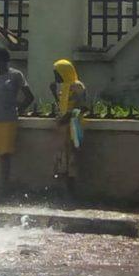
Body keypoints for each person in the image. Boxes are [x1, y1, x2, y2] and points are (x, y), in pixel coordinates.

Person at [0, 48, 34, 192]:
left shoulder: (16, 75)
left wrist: (19, 109)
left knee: (5, 155)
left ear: (2, 60)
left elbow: (29, 97)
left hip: (8, 121)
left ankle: (4, 188)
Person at [50, 59, 87, 197]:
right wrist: (54, 93)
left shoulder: (77, 86)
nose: (55, 76)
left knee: (72, 157)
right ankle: (63, 190)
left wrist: (69, 115)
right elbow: (62, 107)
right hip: (63, 127)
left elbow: (83, 106)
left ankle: (72, 192)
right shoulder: (64, 88)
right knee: (62, 158)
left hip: (74, 127)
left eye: (57, 73)